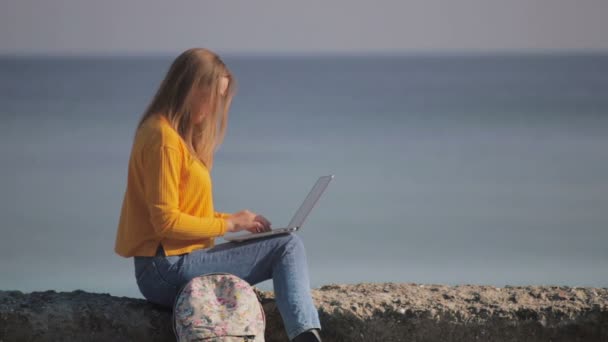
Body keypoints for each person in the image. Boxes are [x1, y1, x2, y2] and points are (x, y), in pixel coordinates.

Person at [113, 48, 322, 342]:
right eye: (215, 95)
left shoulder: (170, 135)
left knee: (284, 243)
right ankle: (305, 336)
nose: (217, 107)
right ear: (191, 87)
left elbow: (184, 213)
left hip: (175, 262)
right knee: (287, 246)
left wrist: (235, 220)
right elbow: (166, 223)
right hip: (165, 269)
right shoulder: (163, 139)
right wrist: (229, 225)